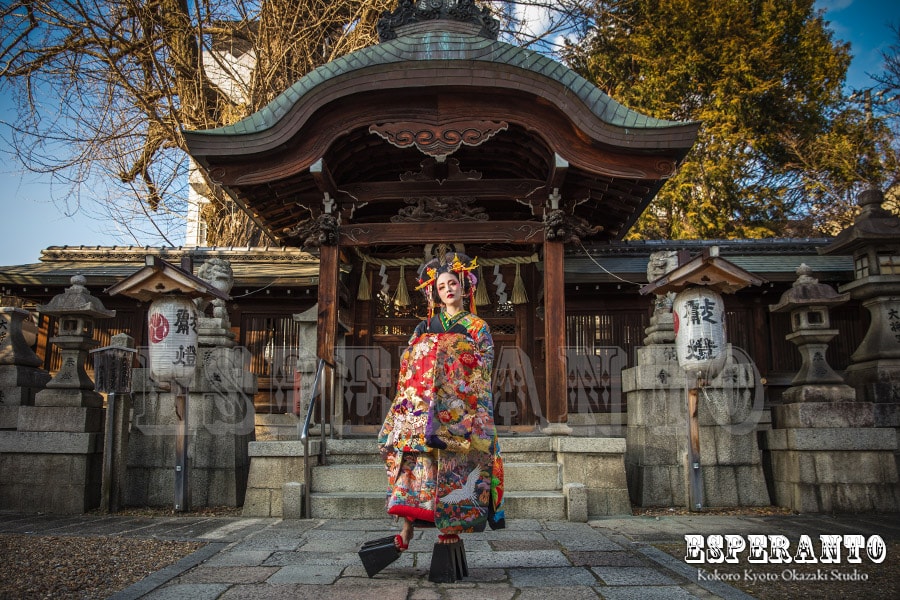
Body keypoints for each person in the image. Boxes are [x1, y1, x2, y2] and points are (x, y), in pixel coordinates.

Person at [378, 251, 505, 552]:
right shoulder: (424, 327)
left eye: (452, 283)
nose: (447, 289)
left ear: (464, 286)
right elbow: (410, 361)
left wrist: (459, 358)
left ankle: (450, 531)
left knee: (457, 467)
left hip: (461, 409)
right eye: (441, 287)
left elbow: (485, 364)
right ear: (436, 294)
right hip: (425, 410)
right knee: (419, 463)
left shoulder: (478, 327)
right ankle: (407, 530)